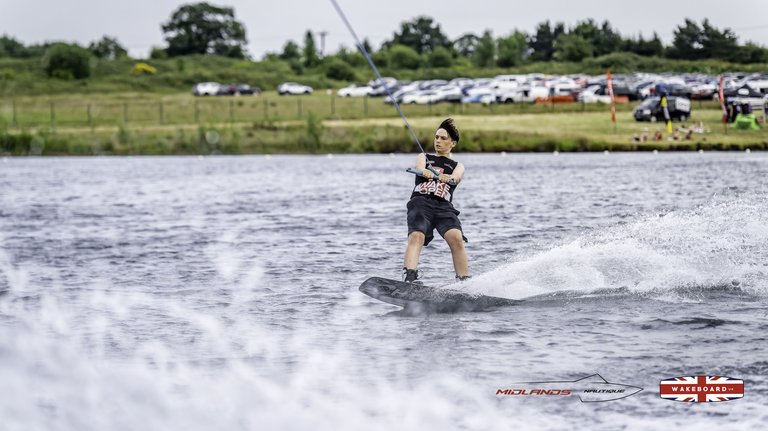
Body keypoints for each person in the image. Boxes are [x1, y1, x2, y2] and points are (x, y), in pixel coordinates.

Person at [403, 118, 469, 283]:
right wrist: (424, 172)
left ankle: (465, 282)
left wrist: (448, 178)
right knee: (417, 236)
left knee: (457, 238)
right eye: (436, 137)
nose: (438, 141)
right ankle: (410, 277)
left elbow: (456, 178)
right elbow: (419, 167)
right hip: (421, 202)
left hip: (444, 207)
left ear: (452, 143)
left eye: (443, 138)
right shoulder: (424, 156)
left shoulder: (457, 165)